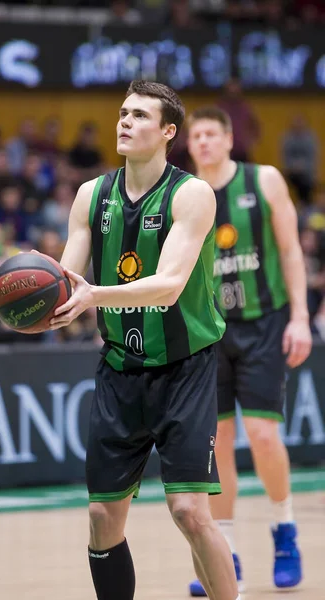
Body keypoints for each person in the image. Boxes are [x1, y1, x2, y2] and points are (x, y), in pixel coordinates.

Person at [48, 81, 240, 600]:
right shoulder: (92, 196)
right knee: (101, 517)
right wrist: (49, 305)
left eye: (139, 115)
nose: (124, 122)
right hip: (119, 370)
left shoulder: (192, 193)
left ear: (168, 132)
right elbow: (68, 284)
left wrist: (90, 297)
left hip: (185, 368)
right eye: (122, 112)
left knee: (190, 512)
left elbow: (169, 285)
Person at [187, 106, 312, 596]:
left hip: (264, 321)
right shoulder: (182, 193)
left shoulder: (265, 181)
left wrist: (300, 317)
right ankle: (227, 556)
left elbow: (290, 251)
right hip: (207, 332)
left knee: (261, 434)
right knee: (215, 445)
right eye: (195, 135)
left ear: (228, 138)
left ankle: (284, 532)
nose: (203, 143)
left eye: (211, 134)